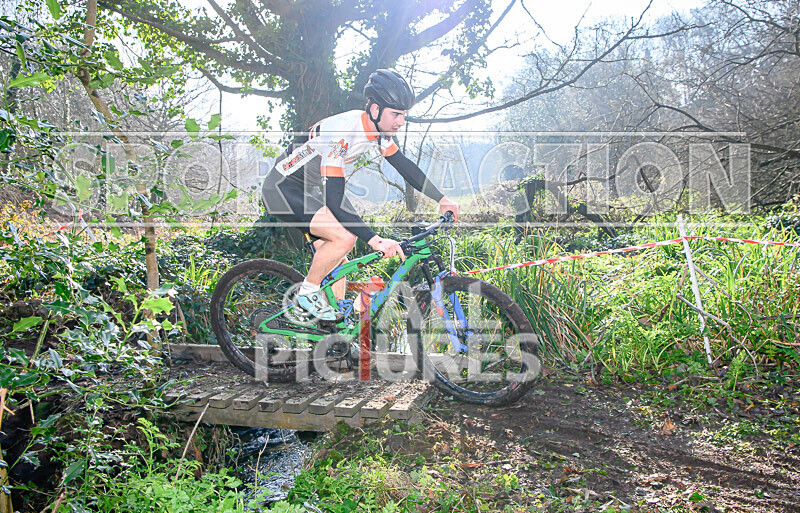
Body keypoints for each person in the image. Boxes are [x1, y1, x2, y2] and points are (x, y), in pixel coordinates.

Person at [261, 69, 459, 321]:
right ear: (375, 110)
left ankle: (334, 327)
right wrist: (375, 240)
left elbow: (405, 166)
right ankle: (306, 294)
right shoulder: (342, 132)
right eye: (396, 114)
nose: (401, 122)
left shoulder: (378, 133)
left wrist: (442, 199)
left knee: (338, 258)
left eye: (404, 115)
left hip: (309, 191)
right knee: (345, 237)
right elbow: (335, 198)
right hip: (282, 189)